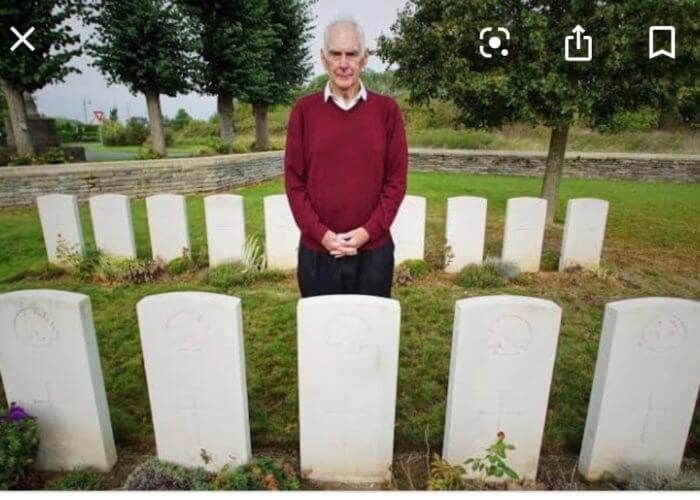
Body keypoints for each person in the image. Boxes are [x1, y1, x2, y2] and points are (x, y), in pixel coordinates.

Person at [284, 14, 408, 298]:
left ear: (364, 57)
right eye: (335, 53)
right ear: (323, 57)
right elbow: (294, 181)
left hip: (373, 255)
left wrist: (367, 231)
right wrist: (322, 235)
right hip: (317, 254)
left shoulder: (386, 111)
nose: (343, 63)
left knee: (371, 338)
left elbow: (396, 181)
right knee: (323, 339)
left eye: (351, 54)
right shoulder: (304, 111)